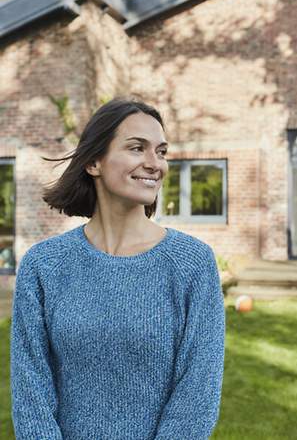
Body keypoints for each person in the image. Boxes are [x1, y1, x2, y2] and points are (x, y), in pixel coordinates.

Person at [10, 98, 226, 439]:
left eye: (162, 151)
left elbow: (197, 394)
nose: (155, 164)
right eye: (137, 148)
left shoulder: (192, 264)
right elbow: (30, 389)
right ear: (94, 162)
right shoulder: (44, 265)